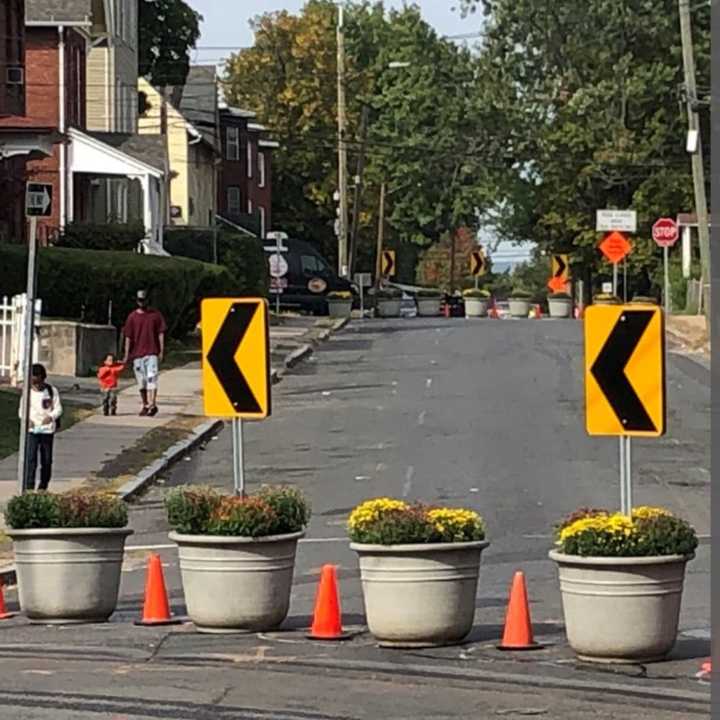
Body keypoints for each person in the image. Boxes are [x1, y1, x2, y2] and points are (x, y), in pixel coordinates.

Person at [122, 290, 167, 417]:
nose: (142, 303)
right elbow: (128, 336)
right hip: (137, 354)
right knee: (141, 382)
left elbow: (161, 333)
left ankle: (152, 404)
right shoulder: (132, 317)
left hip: (151, 352)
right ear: (137, 301)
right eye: (140, 300)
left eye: (144, 300)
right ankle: (145, 404)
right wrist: (126, 355)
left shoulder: (155, 315)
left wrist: (161, 351)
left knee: (152, 378)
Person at [20, 363, 62, 491]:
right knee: (31, 459)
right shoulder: (27, 392)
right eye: (33, 382)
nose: (36, 385)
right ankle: (29, 486)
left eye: (38, 382)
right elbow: (22, 410)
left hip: (46, 430)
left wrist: (51, 417)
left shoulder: (51, 391)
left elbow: (58, 408)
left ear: (43, 378)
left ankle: (43, 486)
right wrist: (27, 420)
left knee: (46, 460)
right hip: (32, 430)